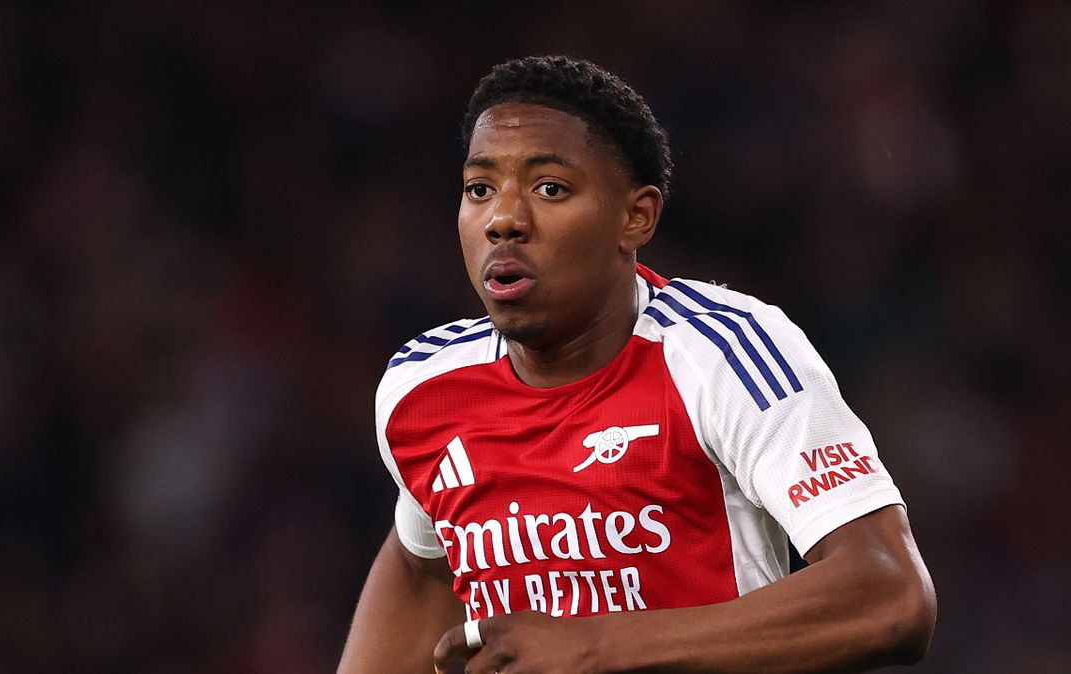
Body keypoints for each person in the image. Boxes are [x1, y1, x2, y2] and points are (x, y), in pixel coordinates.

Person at [337, 55, 936, 674]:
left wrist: (597, 647)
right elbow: (421, 567)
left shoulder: (723, 353)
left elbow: (890, 598)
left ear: (635, 217)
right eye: (479, 190)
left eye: (550, 188)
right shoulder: (423, 386)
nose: (503, 220)